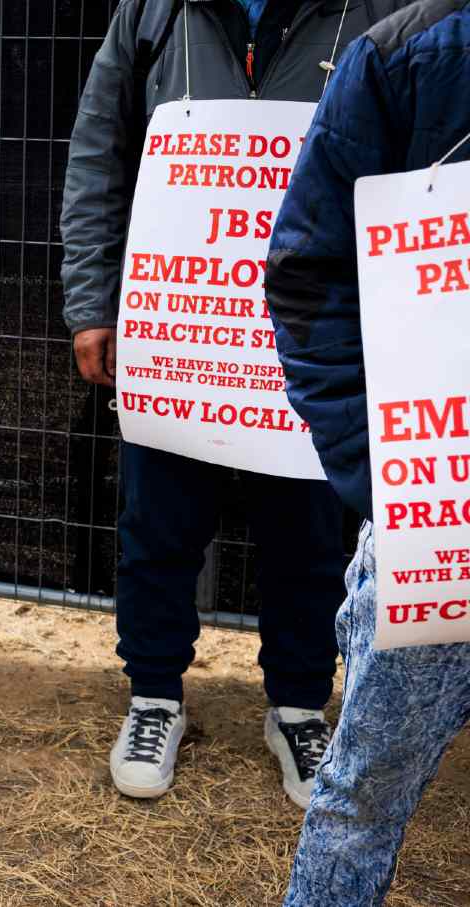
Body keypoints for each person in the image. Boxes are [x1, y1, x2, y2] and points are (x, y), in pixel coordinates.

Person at [59, 0, 408, 808]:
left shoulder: (378, 15)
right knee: (156, 524)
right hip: (180, 330)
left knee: (311, 530)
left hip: (312, 338)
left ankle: (297, 705)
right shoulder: (151, 12)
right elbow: (98, 156)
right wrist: (90, 303)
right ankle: (154, 696)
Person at [266, 2, 470, 902]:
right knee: (364, 795)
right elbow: (307, 272)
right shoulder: (409, 57)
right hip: (435, 512)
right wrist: (386, 470)